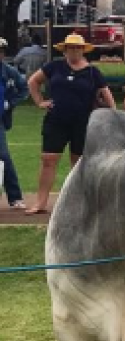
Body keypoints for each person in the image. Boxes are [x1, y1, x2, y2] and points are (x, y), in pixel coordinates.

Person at [25, 34, 116, 215]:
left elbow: (107, 95)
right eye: (70, 48)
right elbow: (33, 81)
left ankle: (79, 203)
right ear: (64, 50)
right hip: (56, 120)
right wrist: (40, 101)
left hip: (82, 122)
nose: (74, 51)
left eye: (77, 48)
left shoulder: (92, 72)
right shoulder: (54, 66)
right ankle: (41, 202)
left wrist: (112, 115)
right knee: (48, 160)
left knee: (78, 163)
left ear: (83, 50)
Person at [0, 39, 29, 209]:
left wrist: (10, 103)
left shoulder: (9, 72)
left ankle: (15, 197)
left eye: (1, 51)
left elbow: (24, 89)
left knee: (3, 156)